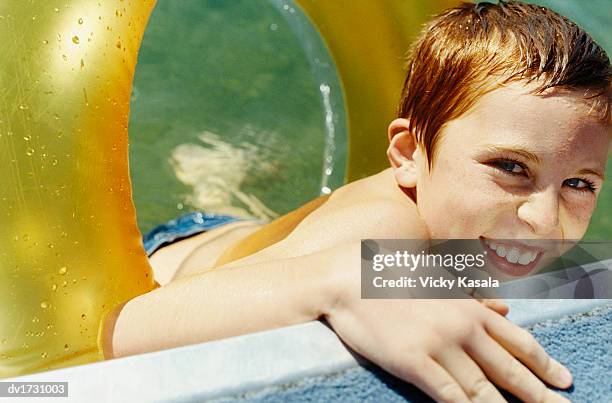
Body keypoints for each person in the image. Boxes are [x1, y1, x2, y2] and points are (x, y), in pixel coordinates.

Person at [103, 1, 610, 402]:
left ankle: (216, 181)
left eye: (580, 184)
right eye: (511, 168)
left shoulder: (472, 227)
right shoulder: (378, 234)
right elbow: (125, 327)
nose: (544, 219)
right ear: (409, 154)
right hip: (171, 263)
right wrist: (340, 278)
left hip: (249, 236)